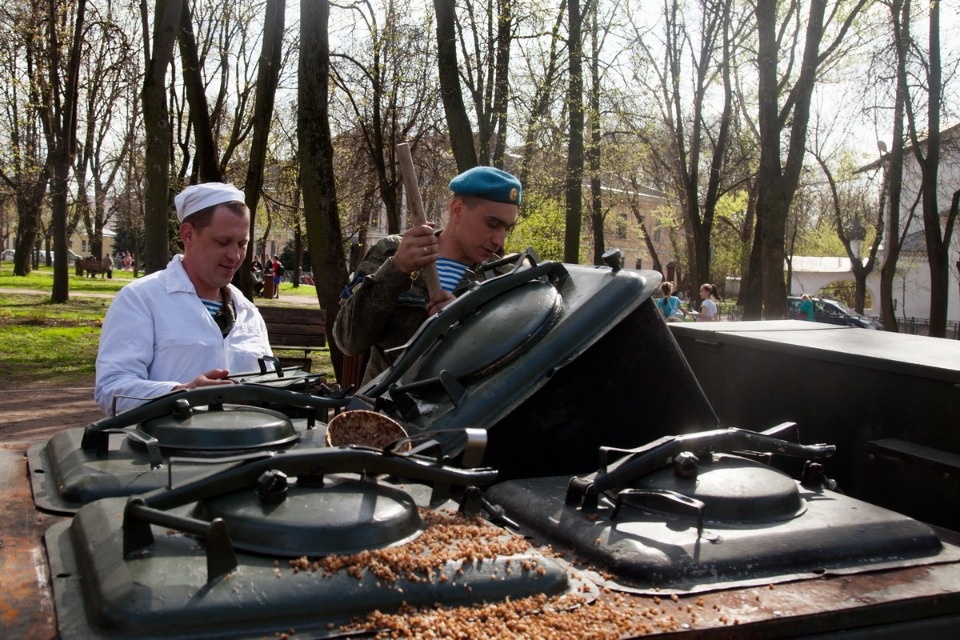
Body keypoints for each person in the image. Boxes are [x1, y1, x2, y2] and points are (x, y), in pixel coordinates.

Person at [333, 165, 522, 385]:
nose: (500, 240)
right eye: (492, 224)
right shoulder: (393, 251)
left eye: (506, 228)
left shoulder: (503, 278)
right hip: (385, 411)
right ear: (458, 210)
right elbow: (348, 340)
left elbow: (506, 367)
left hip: (458, 416)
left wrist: (463, 328)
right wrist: (397, 269)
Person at [94, 182, 273, 415]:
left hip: (250, 447)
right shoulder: (140, 300)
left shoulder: (248, 312)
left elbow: (271, 382)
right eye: (223, 242)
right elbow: (112, 391)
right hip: (166, 448)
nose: (235, 255)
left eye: (242, 244)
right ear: (188, 234)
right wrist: (182, 392)